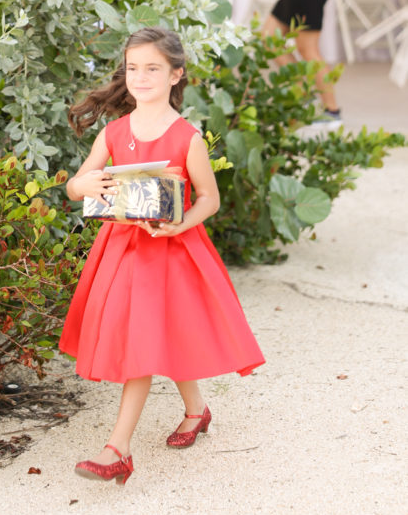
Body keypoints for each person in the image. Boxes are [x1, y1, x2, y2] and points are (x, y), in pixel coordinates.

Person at [59, 26, 264, 486]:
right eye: (133, 68)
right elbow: (76, 185)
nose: (141, 77)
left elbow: (208, 198)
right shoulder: (112, 133)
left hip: (171, 252)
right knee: (155, 337)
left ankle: (117, 450)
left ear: (176, 75)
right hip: (120, 251)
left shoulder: (186, 137)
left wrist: (182, 222)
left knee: (145, 343)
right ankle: (196, 409)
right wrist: (82, 186)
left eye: (153, 68)